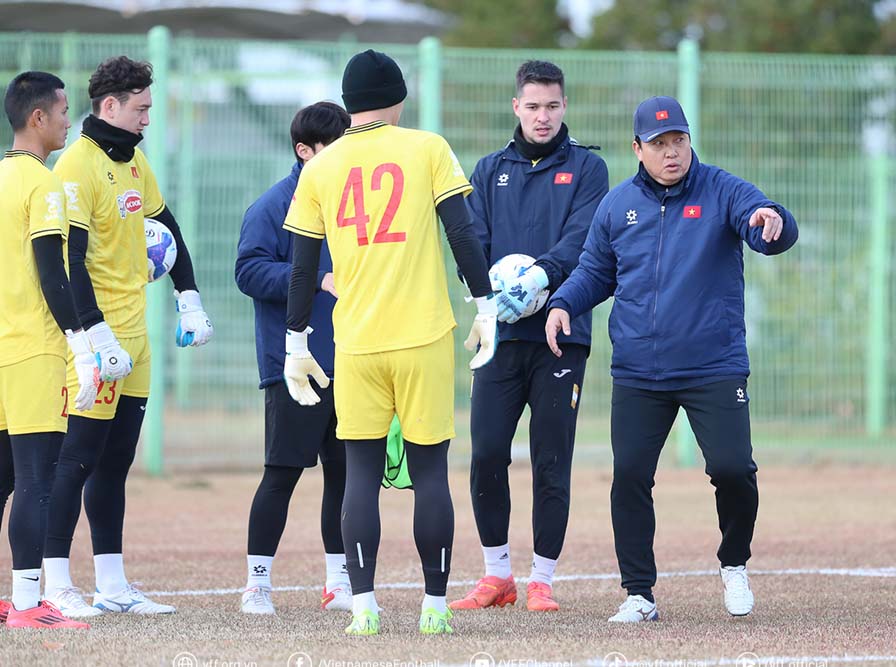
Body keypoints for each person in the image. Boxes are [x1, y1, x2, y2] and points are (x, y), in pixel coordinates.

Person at [545, 96, 798, 623]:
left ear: (689, 141)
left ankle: (734, 565)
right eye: (659, 144)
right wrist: (564, 303)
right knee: (631, 476)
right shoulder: (616, 206)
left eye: (678, 140)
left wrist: (772, 221)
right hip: (639, 370)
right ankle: (639, 594)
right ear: (637, 149)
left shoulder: (722, 188)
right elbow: (595, 271)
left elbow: (765, 225)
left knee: (732, 469)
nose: (671, 152)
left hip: (714, 364)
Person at [282, 49, 497, 636]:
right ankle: (433, 607)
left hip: (355, 342)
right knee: (430, 473)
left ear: (348, 103)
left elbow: (302, 269)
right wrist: (487, 305)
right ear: (399, 98)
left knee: (359, 475)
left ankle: (364, 609)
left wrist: (295, 342)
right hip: (423, 335)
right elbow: (463, 233)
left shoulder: (320, 168)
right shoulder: (427, 147)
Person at [42, 56, 214, 617]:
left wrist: (188, 298)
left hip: (137, 335)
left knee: (116, 463)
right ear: (110, 106)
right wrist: (95, 333)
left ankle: (112, 587)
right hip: (99, 339)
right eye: (140, 108)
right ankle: (57, 584)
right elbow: (69, 261)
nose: (147, 119)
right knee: (77, 460)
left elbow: (169, 229)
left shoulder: (135, 161)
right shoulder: (76, 167)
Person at [450, 61, 608, 613]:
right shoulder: (490, 169)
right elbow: (473, 239)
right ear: (516, 106)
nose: (543, 116)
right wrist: (488, 294)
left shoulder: (589, 168)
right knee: (488, 450)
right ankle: (498, 576)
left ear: (565, 107)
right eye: (533, 106)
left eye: (553, 106)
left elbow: (584, 239)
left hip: (560, 335)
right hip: (499, 336)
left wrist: (542, 276)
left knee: (550, 457)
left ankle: (541, 578)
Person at [235, 101, 352, 615]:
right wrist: (312, 279)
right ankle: (257, 584)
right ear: (305, 151)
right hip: (295, 365)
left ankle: (340, 583)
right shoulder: (271, 206)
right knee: (281, 474)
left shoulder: (352, 204)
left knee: (347, 477)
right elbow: (248, 271)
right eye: (337, 146)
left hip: (354, 362)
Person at [0, 71, 98, 629]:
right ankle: (28, 603)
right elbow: (51, 274)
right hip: (34, 350)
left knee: (1, 480)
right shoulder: (43, 185)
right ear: (38, 118)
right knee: (37, 479)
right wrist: (80, 342)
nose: (68, 120)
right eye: (62, 111)